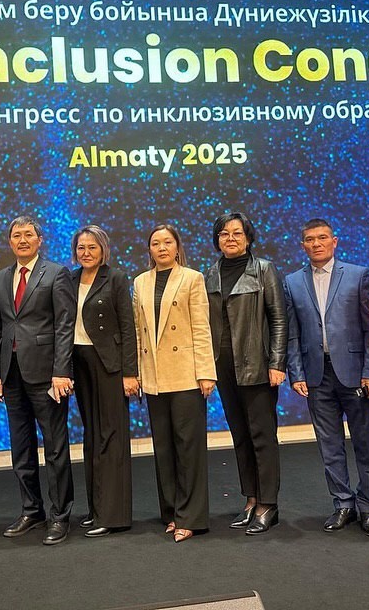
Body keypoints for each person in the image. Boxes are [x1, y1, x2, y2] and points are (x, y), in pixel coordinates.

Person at [283, 218, 369, 536]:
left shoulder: (357, 275)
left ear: (334, 241)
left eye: (322, 237)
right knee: (329, 444)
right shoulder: (292, 282)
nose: (317, 243)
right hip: (316, 374)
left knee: (364, 442)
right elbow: (292, 333)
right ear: (303, 245)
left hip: (355, 373)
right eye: (310, 239)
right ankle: (343, 504)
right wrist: (295, 372)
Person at [0, 216, 75, 546]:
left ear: (40, 240)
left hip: (47, 376)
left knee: (55, 448)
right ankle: (31, 511)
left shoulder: (56, 273)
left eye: (28, 234)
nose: (22, 240)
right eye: (16, 235)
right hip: (12, 376)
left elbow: (64, 325)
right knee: (21, 448)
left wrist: (62, 371)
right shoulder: (1, 278)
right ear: (10, 241)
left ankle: (60, 515)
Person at [202, 213, 287, 535]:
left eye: (237, 233)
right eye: (224, 234)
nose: (230, 238)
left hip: (256, 364)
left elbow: (278, 318)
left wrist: (277, 363)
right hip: (223, 365)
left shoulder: (264, 270)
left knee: (262, 436)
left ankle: (268, 504)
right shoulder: (209, 275)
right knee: (240, 436)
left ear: (248, 238)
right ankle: (251, 498)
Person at [133, 224, 216, 543]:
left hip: (186, 374)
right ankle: (171, 512)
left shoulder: (192, 278)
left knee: (188, 447)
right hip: (154, 376)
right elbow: (138, 331)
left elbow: (201, 327)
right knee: (164, 447)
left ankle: (190, 516)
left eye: (167, 242)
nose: (162, 247)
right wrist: (137, 373)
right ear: (150, 249)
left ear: (177, 247)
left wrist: (206, 372)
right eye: (156, 243)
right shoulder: (140, 282)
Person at [69, 225, 139, 537]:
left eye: (92, 247)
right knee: (92, 436)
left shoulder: (116, 278)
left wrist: (129, 372)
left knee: (112, 436)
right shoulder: (70, 279)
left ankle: (113, 516)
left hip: (109, 364)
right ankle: (96, 509)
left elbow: (127, 327)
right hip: (79, 363)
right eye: (81, 247)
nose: (86, 253)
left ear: (103, 250)